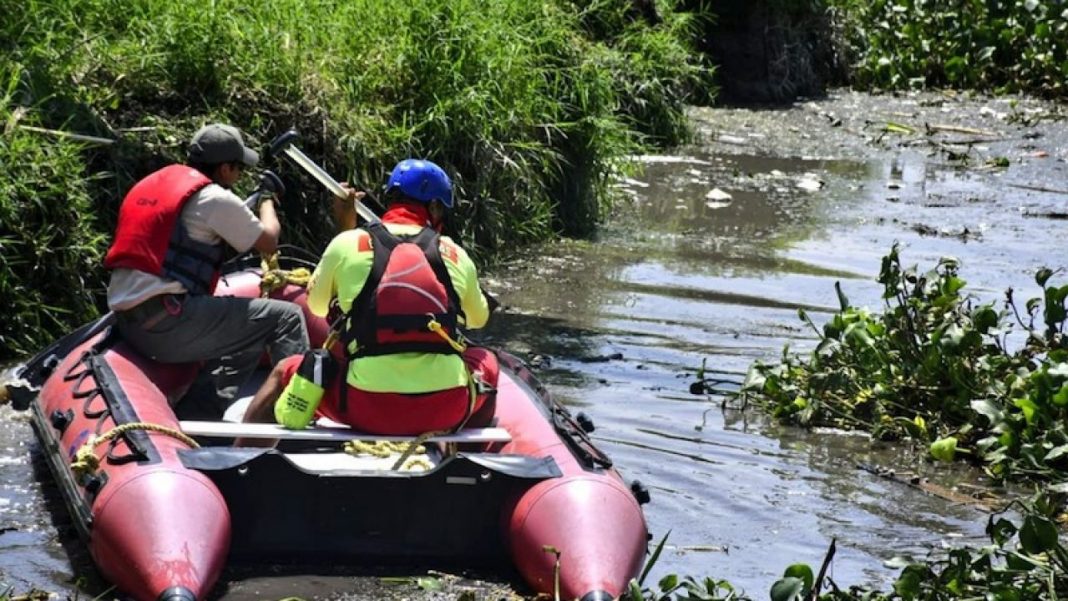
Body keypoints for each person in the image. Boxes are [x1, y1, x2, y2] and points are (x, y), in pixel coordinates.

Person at [237, 158, 497, 442]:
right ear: (434, 207)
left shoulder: (347, 243)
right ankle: (465, 457)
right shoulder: (456, 254)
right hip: (444, 408)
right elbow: (477, 319)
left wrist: (345, 229)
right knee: (487, 361)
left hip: (363, 407)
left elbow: (318, 306)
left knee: (284, 371)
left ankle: (239, 459)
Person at [105, 123, 310, 411]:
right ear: (225, 168)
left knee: (250, 325)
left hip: (130, 321)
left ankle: (201, 411)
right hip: (166, 324)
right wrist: (266, 199)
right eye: (238, 168)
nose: (239, 176)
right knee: (285, 317)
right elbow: (269, 241)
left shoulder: (158, 184)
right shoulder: (214, 199)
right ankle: (295, 412)